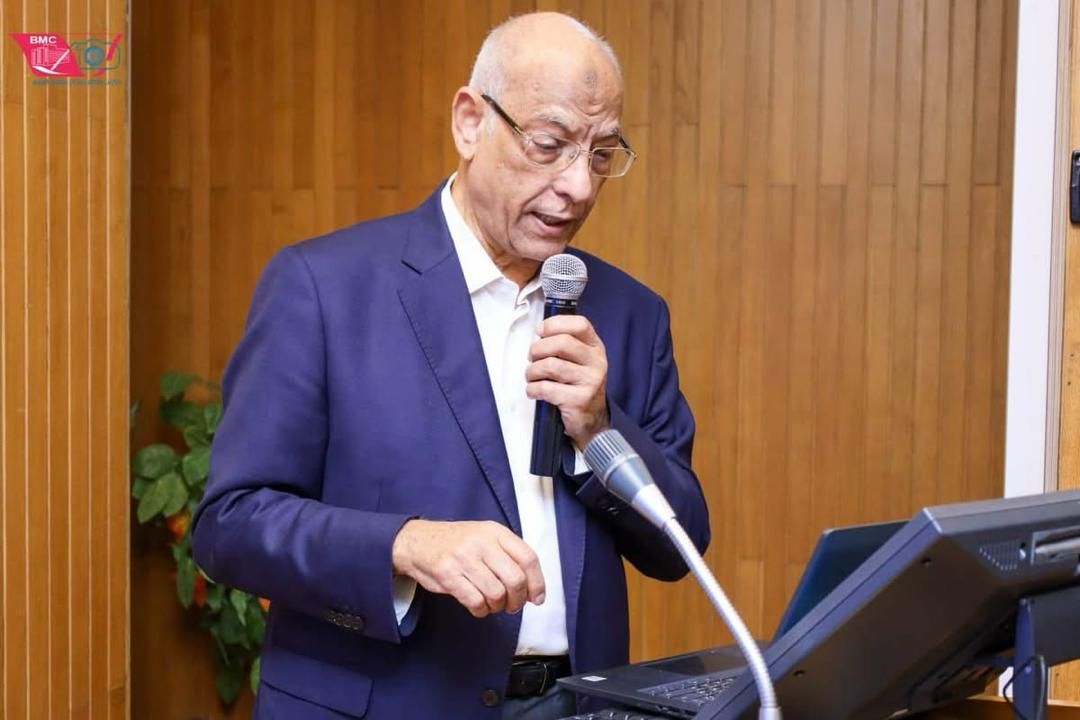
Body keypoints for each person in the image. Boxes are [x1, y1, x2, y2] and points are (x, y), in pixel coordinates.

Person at [192, 11, 710, 720]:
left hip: (575, 704)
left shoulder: (630, 313)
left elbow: (679, 545)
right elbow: (231, 525)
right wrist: (405, 545)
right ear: (470, 122)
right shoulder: (324, 287)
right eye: (550, 145)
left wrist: (598, 428)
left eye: (600, 154)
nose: (579, 187)